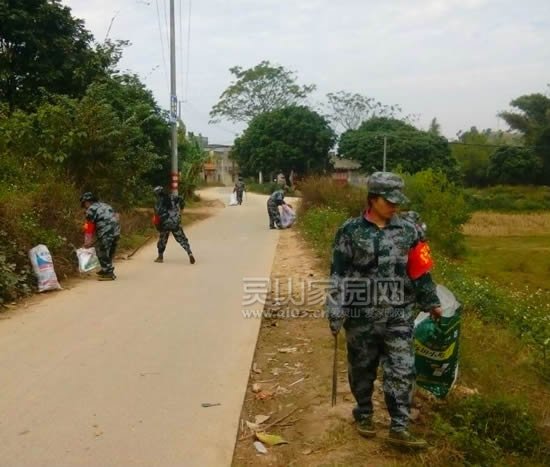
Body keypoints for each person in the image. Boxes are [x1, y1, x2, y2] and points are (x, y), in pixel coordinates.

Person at [326, 172, 442, 449]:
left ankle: (399, 427)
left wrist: (431, 302)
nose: (394, 207)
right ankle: (363, 412)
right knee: (362, 368)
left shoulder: (410, 231)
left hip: (398, 314)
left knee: (402, 369)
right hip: (361, 315)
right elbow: (338, 274)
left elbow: (420, 271)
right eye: (389, 201)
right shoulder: (350, 231)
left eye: (397, 201)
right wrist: (335, 309)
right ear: (373, 199)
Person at [80, 192, 120, 281]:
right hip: (116, 231)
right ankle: (105, 269)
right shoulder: (106, 205)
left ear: (87, 202)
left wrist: (87, 241)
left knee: (101, 251)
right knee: (109, 251)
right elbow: (117, 216)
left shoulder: (91, 209)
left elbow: (89, 227)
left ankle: (108, 273)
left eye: (84, 204)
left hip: (106, 231)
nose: (84, 206)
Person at [152, 186, 195, 264]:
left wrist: (159, 229)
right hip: (175, 222)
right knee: (182, 239)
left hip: (165, 225)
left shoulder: (158, 204)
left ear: (157, 194)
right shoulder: (173, 197)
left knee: (162, 241)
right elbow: (181, 199)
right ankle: (189, 253)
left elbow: (157, 218)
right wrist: (181, 210)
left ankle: (160, 257)